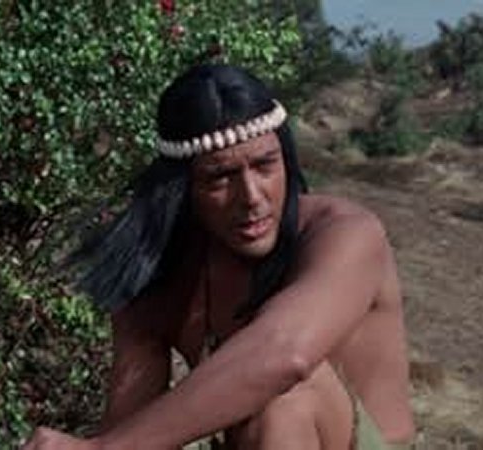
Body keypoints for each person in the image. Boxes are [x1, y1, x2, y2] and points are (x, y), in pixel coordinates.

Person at [23, 64, 415, 450]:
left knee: (283, 397)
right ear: (182, 188)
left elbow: (286, 355)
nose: (252, 197)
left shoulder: (345, 233)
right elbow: (128, 428)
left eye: (264, 165)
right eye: (220, 177)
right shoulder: (161, 275)